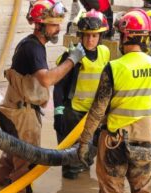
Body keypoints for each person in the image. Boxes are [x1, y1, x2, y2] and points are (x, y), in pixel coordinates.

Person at [77, 9, 151, 193]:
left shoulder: (113, 68)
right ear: (146, 39)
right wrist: (150, 123)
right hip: (145, 140)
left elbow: (97, 111)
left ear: (126, 36)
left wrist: (85, 142)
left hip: (114, 141)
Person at [0, 0, 86, 193]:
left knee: (12, 154)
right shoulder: (33, 48)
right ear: (40, 24)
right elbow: (47, 79)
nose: (58, 28)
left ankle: (0, 187)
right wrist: (73, 59)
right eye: (53, 24)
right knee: (28, 163)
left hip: (13, 110)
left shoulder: (31, 45)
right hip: (21, 115)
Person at [53, 9, 111, 179]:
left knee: (87, 157)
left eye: (94, 36)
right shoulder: (72, 56)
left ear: (100, 36)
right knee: (70, 163)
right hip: (73, 114)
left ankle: (81, 188)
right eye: (86, 35)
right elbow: (59, 87)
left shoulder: (105, 53)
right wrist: (58, 114)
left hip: (93, 115)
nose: (90, 40)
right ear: (80, 35)